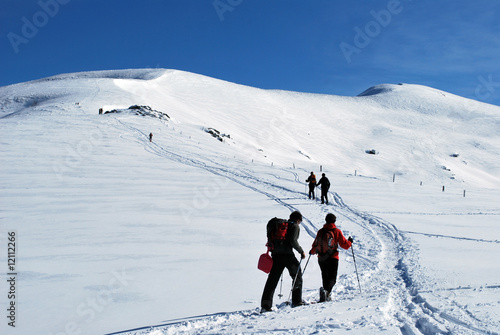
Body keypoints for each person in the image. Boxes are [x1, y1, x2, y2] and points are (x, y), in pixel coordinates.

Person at [261, 211, 306, 312]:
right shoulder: (294, 226)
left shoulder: (281, 226)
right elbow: (293, 241)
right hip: (288, 256)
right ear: (298, 220)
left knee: (272, 280)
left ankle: (265, 306)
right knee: (297, 276)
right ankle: (297, 301)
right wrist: (301, 251)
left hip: (276, 255)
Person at [309, 213, 353, 302]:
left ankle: (325, 293)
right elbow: (344, 245)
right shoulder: (336, 231)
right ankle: (327, 292)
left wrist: (312, 251)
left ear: (326, 220)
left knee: (325, 276)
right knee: (332, 277)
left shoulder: (320, 231)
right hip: (333, 257)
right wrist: (350, 242)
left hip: (321, 257)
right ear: (334, 221)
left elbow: (315, 244)